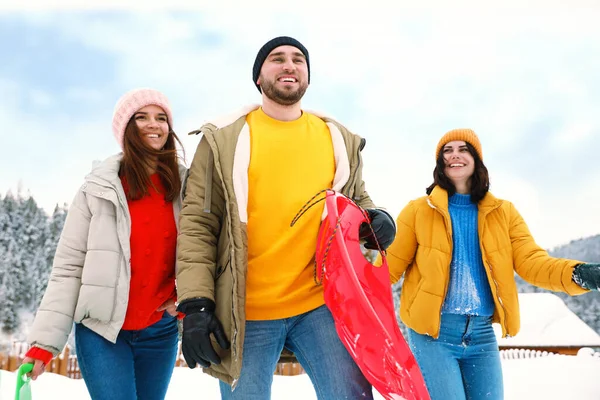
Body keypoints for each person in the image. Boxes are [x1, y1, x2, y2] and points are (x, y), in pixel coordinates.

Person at [175, 36, 396, 400]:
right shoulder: (223, 141)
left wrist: (378, 219)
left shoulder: (335, 137)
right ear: (259, 77)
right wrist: (197, 304)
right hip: (247, 311)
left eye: (298, 59)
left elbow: (356, 200)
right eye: (277, 59)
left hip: (321, 305)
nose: (289, 65)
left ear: (307, 76)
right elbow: (198, 227)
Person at [382, 128, 600, 400]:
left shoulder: (503, 213)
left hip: (482, 335)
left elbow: (532, 261)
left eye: (463, 149)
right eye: (447, 151)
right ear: (440, 162)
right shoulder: (418, 210)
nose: (455, 155)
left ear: (476, 158)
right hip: (433, 335)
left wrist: (578, 274)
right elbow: (387, 268)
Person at [22, 88, 187, 400]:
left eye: (161, 118)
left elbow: (203, 253)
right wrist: (43, 344)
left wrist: (186, 301)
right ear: (125, 128)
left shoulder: (185, 186)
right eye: (142, 117)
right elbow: (68, 269)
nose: (153, 124)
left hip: (159, 331)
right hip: (102, 332)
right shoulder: (97, 189)